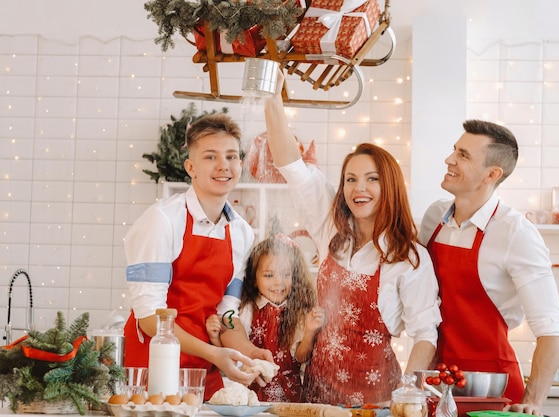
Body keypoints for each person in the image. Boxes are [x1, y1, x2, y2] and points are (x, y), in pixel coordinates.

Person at [263, 73, 442, 405]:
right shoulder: (330, 230)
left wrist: (409, 394)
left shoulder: (408, 257)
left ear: (389, 187)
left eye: (372, 179)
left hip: (378, 401)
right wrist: (272, 98)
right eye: (351, 179)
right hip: (316, 397)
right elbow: (291, 165)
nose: (359, 188)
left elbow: (423, 335)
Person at [418, 119, 559, 415]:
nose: (449, 160)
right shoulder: (434, 217)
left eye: (463, 155)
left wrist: (532, 401)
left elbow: (552, 332)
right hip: (437, 385)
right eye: (454, 150)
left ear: (492, 174)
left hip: (493, 394)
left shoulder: (516, 233)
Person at [123, 112, 273, 400]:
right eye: (210, 157)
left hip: (203, 372)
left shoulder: (242, 233)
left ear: (240, 164)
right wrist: (215, 353)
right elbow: (150, 319)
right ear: (190, 166)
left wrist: (247, 350)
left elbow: (226, 313)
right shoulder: (162, 221)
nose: (223, 166)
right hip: (152, 370)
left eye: (231, 156)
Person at [207, 234, 325, 402]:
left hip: (290, 396)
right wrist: (215, 338)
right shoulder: (247, 309)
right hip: (252, 394)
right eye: (269, 275)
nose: (279, 282)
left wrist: (309, 332)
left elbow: (301, 357)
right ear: (254, 279)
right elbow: (233, 358)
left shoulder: (299, 312)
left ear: (295, 276)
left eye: (286, 274)